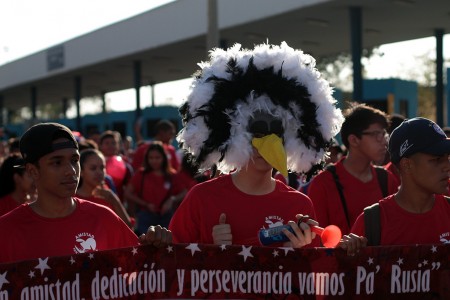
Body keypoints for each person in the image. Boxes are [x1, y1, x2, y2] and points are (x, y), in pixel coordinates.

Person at [168, 42, 344, 247]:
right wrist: (210, 250)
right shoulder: (202, 199)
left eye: (276, 133)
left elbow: (313, 276)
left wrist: (301, 253)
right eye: (257, 132)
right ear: (233, 133)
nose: (267, 144)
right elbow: (169, 267)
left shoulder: (299, 206)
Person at [0, 123, 171, 263]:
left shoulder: (104, 218)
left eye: (74, 160)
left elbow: (139, 273)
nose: (71, 171)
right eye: (57, 162)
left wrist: (155, 246)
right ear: (32, 171)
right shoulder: (6, 231)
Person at [340, 117, 450, 254]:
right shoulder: (372, 222)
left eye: (448, 158)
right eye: (437, 159)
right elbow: (346, 273)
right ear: (407, 165)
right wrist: (348, 257)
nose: (447, 166)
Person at [307, 103, 400, 235]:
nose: (384, 142)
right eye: (376, 134)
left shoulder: (386, 179)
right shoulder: (323, 183)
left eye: (384, 134)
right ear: (354, 140)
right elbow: (317, 241)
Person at [125, 141, 186, 234]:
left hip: (166, 216)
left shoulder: (171, 174)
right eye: (151, 158)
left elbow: (184, 192)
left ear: (164, 158)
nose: (154, 161)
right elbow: (128, 193)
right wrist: (145, 204)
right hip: (146, 216)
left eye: (157, 158)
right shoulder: (141, 174)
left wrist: (172, 200)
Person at [76, 148, 133, 227]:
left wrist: (115, 201)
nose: (99, 172)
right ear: (81, 172)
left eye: (102, 168)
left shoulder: (108, 195)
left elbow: (128, 227)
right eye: (93, 168)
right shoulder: (72, 199)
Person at [98, 130, 133, 201]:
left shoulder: (125, 165)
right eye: (107, 143)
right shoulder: (96, 164)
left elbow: (130, 188)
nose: (110, 146)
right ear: (100, 146)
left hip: (119, 201)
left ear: (118, 146)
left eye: (113, 143)